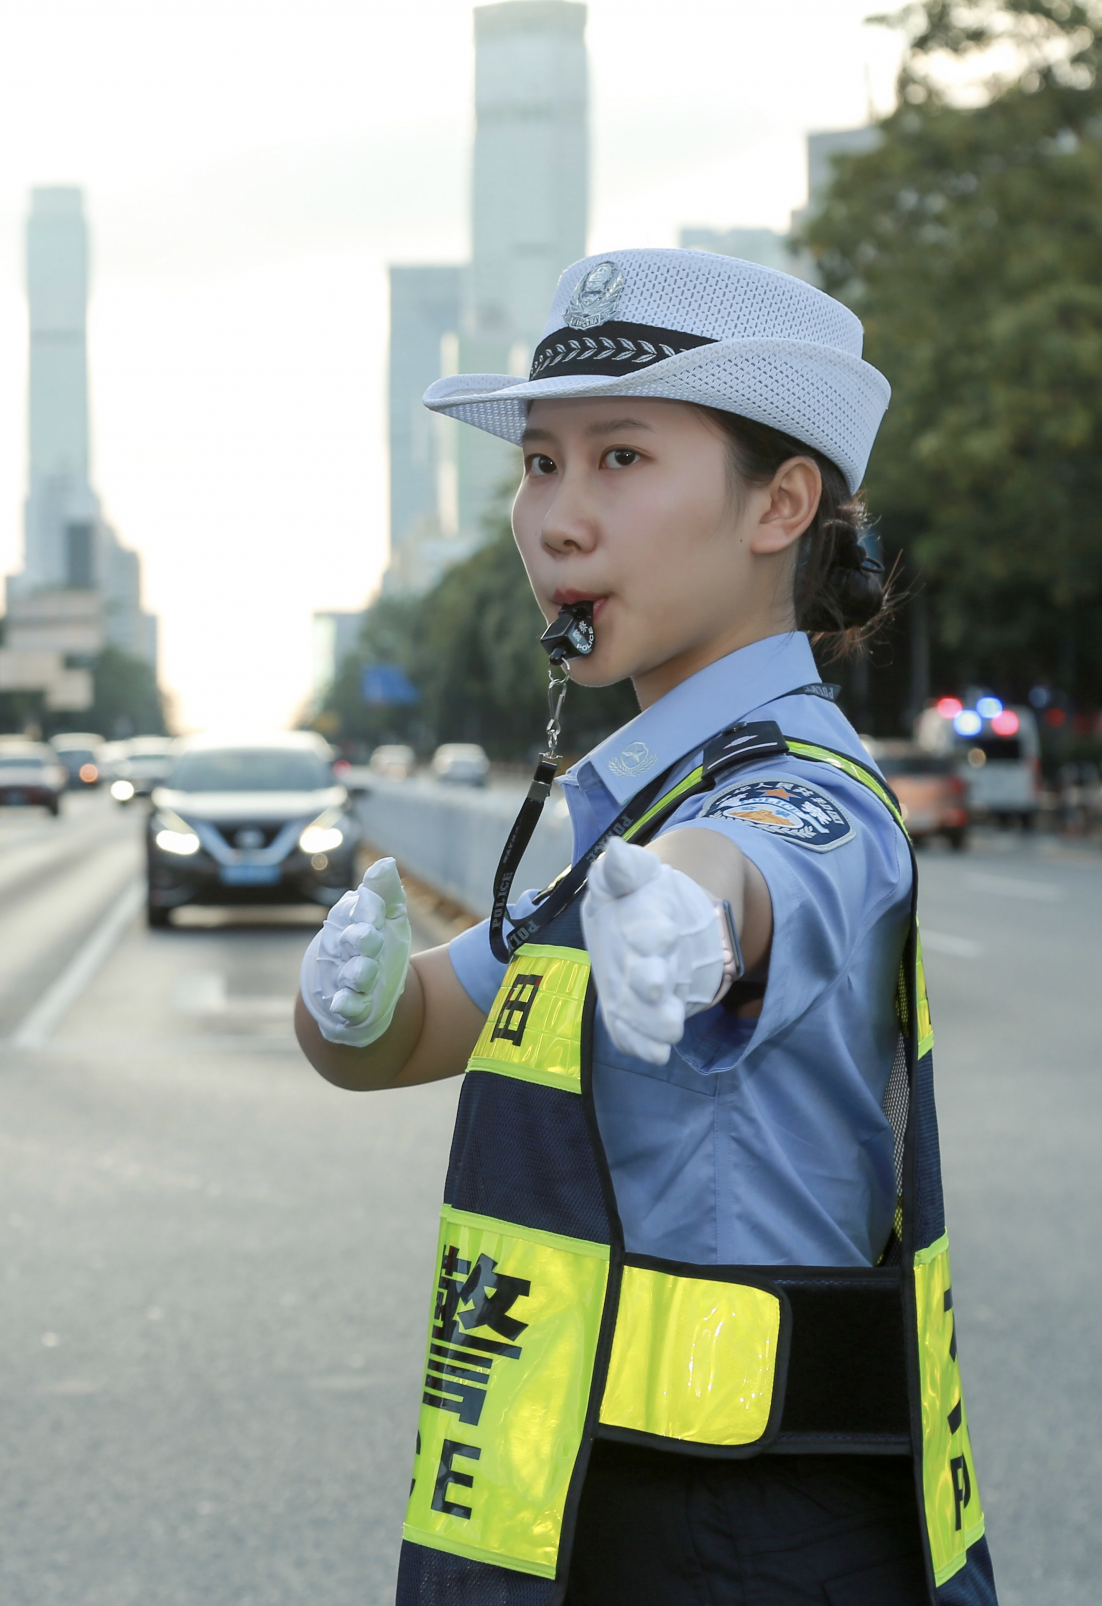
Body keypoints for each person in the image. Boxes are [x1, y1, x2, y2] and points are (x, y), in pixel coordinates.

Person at [294, 250, 997, 1606]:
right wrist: (352, 1007)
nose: (558, 517)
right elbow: (428, 1023)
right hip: (598, 1507)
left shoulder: (805, 790)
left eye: (620, 458)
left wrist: (696, 898)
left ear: (780, 503)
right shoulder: (631, 825)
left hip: (751, 1536)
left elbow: (747, 876)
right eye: (539, 466)